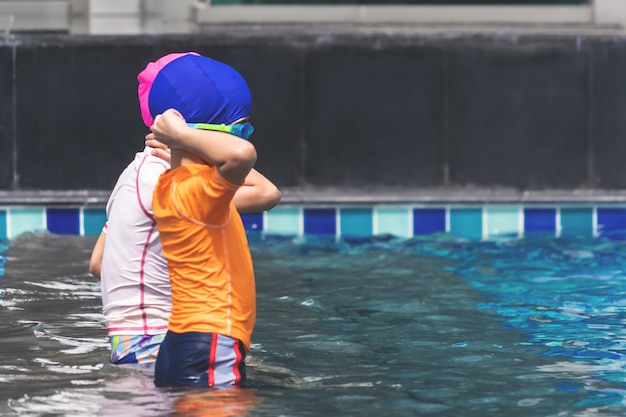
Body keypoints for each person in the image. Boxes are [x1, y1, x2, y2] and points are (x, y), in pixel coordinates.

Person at [89, 52, 280, 367]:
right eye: (239, 131)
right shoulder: (164, 182)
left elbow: (99, 263)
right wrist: (190, 141)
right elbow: (266, 192)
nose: (246, 137)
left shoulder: (136, 176)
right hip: (160, 343)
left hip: (135, 346)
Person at [144, 52, 261, 389]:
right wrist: (180, 136)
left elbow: (266, 191)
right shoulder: (200, 193)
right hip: (211, 340)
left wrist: (180, 142)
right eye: (241, 128)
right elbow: (242, 155)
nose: (245, 137)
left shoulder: (173, 186)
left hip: (182, 338)